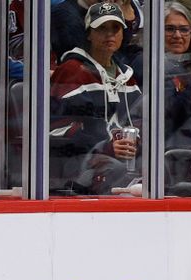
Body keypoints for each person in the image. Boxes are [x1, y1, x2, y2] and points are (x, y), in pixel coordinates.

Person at [49, 2, 142, 195]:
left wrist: (137, 143)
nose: (110, 34)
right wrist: (106, 147)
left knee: (159, 166)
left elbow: (140, 121)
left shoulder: (127, 76)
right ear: (89, 34)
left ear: (123, 34)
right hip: (77, 162)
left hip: (119, 159)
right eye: (101, 28)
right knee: (116, 170)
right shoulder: (73, 71)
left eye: (115, 28)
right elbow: (56, 130)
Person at [141, 2, 191, 149]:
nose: (177, 35)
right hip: (170, 152)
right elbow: (173, 115)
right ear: (156, 30)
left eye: (184, 29)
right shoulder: (146, 64)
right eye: (170, 29)